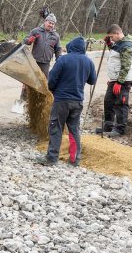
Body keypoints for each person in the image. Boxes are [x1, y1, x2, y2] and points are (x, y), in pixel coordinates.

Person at [38, 36, 97, 166]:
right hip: (78, 101)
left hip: (62, 100)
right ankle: (75, 159)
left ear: (70, 47)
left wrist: (52, 90)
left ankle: (52, 158)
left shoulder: (63, 60)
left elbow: (52, 80)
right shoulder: (89, 62)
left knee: (56, 128)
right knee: (74, 129)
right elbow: (92, 81)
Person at [96, 24, 132, 138]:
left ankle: (120, 129)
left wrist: (119, 82)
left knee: (121, 103)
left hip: (123, 80)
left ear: (118, 33)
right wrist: (109, 44)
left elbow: (126, 65)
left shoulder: (127, 46)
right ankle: (108, 126)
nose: (111, 39)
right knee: (108, 101)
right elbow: (116, 54)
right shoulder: (119, 44)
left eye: (112, 37)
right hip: (115, 79)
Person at [23, 13, 62, 79]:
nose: (51, 25)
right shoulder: (36, 31)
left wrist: (59, 59)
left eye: (53, 24)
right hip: (34, 61)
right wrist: (29, 40)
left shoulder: (56, 36)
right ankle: (25, 90)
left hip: (45, 63)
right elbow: (25, 41)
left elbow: (58, 49)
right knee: (29, 80)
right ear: (45, 21)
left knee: (43, 83)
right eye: (49, 23)